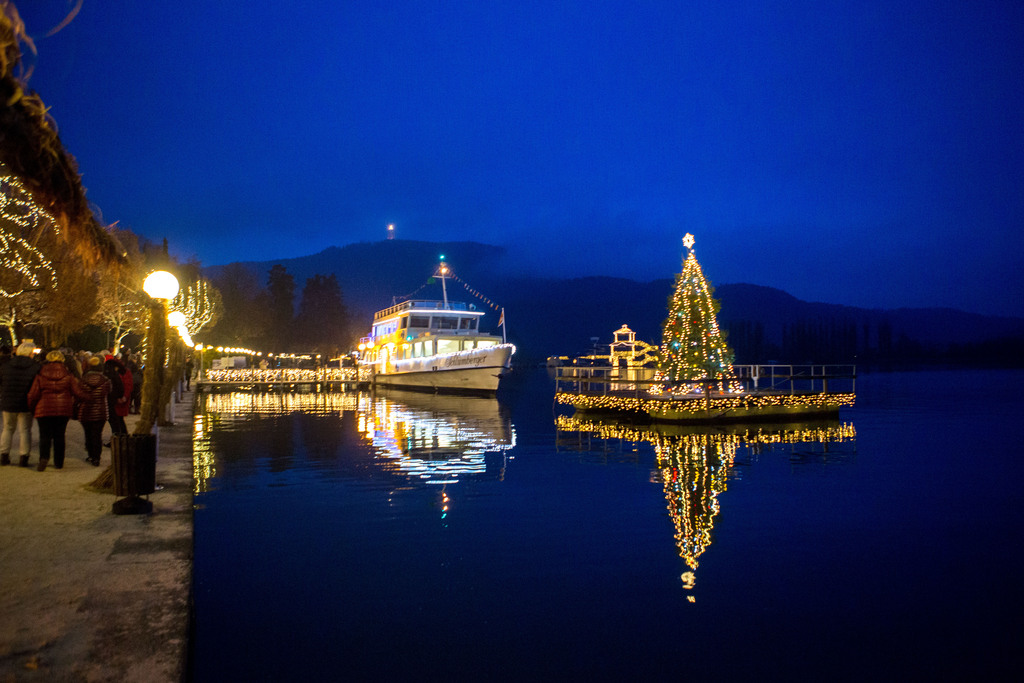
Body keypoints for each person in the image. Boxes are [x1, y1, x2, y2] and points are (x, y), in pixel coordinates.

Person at [27, 350, 84, 470]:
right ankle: (59, 462)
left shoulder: (40, 374)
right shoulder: (68, 375)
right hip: (62, 410)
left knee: (44, 436)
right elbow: (77, 392)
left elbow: (33, 395)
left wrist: (32, 408)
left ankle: (44, 458)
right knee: (59, 435)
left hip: (43, 409)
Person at [0, 341, 40, 467]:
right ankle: (24, 457)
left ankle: (4, 455)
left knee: (7, 428)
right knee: (25, 430)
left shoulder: (6, 366)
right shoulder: (36, 367)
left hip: (9, 401)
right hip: (25, 402)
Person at [77, 355, 111, 466]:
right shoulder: (105, 381)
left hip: (85, 410)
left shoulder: (83, 380)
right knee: (97, 434)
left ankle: (91, 455)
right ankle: (96, 457)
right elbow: (108, 392)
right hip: (100, 411)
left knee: (88, 433)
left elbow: (79, 394)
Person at [103, 355, 128, 440]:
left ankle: (116, 437)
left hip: (107, 399)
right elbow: (120, 386)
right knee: (114, 420)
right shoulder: (114, 374)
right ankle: (117, 437)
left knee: (113, 420)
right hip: (113, 399)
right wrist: (120, 396)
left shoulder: (104, 373)